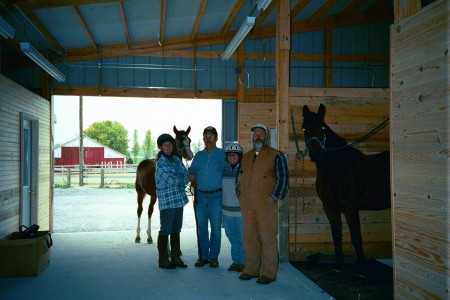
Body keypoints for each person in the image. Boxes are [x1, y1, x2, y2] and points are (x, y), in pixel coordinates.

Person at [238, 124, 289, 284]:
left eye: (261, 134)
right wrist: (239, 194)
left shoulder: (276, 155)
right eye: (256, 134)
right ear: (252, 137)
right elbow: (238, 177)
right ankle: (251, 269)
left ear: (265, 137)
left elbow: (283, 179)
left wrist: (273, 197)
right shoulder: (245, 157)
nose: (258, 137)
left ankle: (268, 273)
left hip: (266, 205)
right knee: (249, 237)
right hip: (247, 205)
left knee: (268, 238)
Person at [189, 126, 226, 268]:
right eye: (206, 137)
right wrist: (190, 175)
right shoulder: (199, 156)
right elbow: (191, 173)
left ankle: (214, 257)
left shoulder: (222, 155)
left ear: (216, 138)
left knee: (216, 229)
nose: (208, 139)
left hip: (216, 197)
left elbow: (228, 173)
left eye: (211, 136)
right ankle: (203, 257)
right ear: (203, 139)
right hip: (200, 198)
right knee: (202, 228)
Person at [155, 133, 190, 269]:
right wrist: (183, 179)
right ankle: (163, 260)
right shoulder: (161, 164)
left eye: (170, 144)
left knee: (176, 229)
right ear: (161, 147)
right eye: (165, 145)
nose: (168, 147)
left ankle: (176, 257)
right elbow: (172, 181)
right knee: (165, 230)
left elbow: (185, 174)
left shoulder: (176, 159)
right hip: (168, 203)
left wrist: (183, 178)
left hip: (179, 201)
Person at [222, 143, 246, 272]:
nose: (232, 157)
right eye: (230, 155)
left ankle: (244, 262)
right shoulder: (223, 169)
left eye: (235, 155)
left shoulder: (244, 170)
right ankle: (236, 261)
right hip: (226, 210)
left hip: (240, 212)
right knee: (232, 236)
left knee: (242, 237)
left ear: (239, 156)